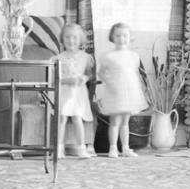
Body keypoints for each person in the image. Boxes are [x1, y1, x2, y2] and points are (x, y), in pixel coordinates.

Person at [98, 22, 148, 158]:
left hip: (129, 92)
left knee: (126, 122)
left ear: (130, 37)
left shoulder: (133, 56)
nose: (122, 38)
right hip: (115, 92)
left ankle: (125, 148)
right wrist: (110, 84)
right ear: (112, 37)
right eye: (118, 35)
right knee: (115, 121)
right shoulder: (108, 56)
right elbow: (102, 73)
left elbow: (134, 74)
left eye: (125, 35)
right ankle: (113, 148)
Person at [53, 23, 94, 159]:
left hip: (77, 94)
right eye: (68, 37)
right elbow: (54, 79)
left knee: (77, 118)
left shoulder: (85, 57)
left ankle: (81, 147)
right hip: (64, 91)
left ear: (80, 40)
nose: (71, 40)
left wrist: (84, 78)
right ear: (62, 39)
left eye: (75, 38)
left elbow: (89, 74)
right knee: (61, 119)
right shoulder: (58, 58)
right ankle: (58, 148)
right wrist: (66, 81)